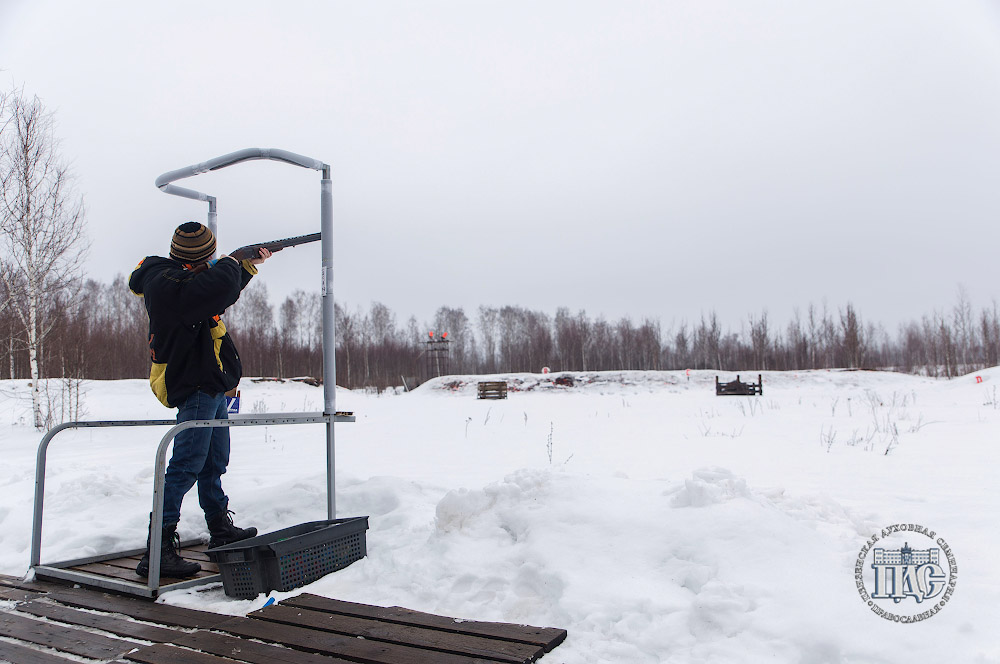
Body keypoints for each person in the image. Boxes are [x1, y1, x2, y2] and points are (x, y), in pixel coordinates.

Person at [128, 222, 271, 578]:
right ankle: (157, 551)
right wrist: (232, 261)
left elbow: (216, 292)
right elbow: (212, 287)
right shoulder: (166, 283)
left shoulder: (185, 283)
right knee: (184, 466)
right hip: (194, 386)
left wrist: (245, 266)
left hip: (212, 385)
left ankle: (220, 531)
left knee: (213, 464)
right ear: (199, 258)